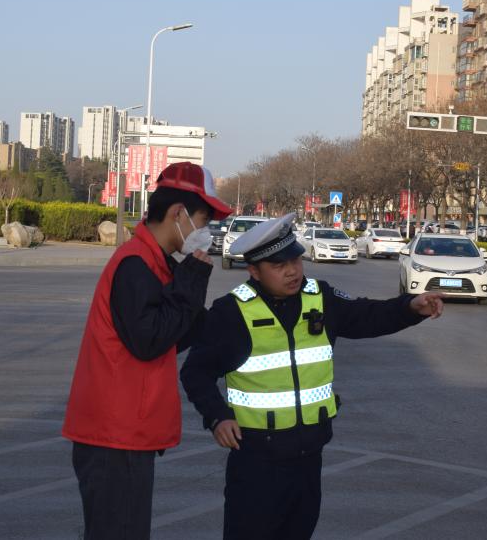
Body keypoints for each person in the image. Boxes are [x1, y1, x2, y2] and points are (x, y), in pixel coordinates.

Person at [180, 213, 444, 540]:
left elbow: (367, 316)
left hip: (308, 459)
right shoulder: (231, 312)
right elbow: (196, 372)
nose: (292, 271)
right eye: (278, 265)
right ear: (254, 271)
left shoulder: (320, 297)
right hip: (256, 464)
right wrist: (217, 417)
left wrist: (410, 308)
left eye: (295, 260)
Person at [62, 162, 232, 540]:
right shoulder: (135, 265)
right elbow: (150, 341)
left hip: (123, 434)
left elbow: (175, 335)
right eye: (203, 222)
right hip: (113, 437)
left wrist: (217, 318)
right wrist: (191, 280)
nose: (205, 233)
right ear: (178, 214)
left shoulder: (154, 264)